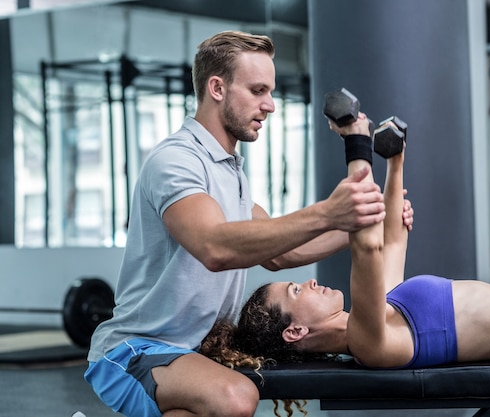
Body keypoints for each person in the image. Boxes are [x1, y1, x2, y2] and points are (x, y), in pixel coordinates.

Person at [84, 31, 414, 417]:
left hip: (188, 354)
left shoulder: (230, 172)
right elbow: (215, 247)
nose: (270, 105)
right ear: (217, 88)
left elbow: (284, 251)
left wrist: (363, 221)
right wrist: (328, 212)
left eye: (270, 92)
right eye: (258, 90)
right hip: (134, 349)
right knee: (235, 398)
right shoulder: (176, 161)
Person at [200, 111, 490, 383]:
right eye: (295, 292)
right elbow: (366, 248)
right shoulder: (370, 343)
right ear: (295, 332)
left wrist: (395, 160)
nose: (308, 282)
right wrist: (356, 141)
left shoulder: (384, 312)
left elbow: (390, 240)